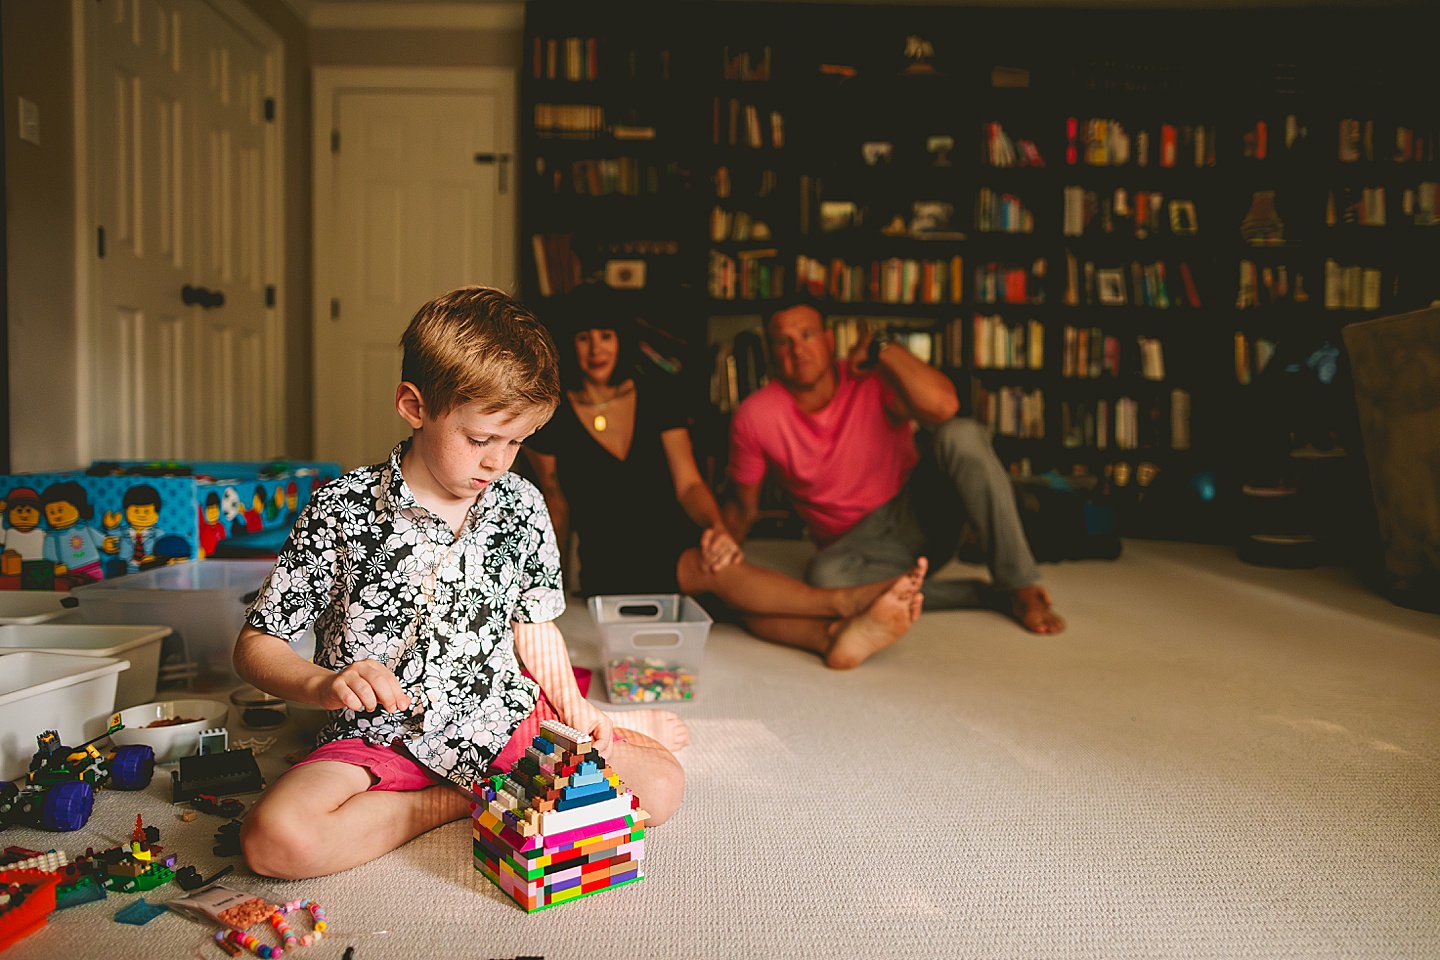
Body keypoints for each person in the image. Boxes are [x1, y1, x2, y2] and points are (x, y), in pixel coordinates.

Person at [232, 286, 687, 881]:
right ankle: (451, 802)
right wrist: (321, 683)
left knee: (662, 787)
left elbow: (534, 625)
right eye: (480, 440)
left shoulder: (521, 504)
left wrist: (574, 708)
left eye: (518, 441)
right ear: (414, 406)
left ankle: (553, 758)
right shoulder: (339, 510)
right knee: (275, 840)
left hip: (498, 723)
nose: (499, 461)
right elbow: (254, 647)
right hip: (382, 737)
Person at [522, 287, 927, 671]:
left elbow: (689, 484)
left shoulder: (657, 394)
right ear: (568, 344)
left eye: (606, 336)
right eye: (584, 338)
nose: (596, 349)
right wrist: (545, 585)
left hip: (673, 532)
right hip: (614, 556)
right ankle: (844, 603)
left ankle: (831, 638)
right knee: (716, 574)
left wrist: (717, 529)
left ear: (621, 340)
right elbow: (555, 503)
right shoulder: (551, 415)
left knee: (732, 594)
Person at [724, 294, 1064, 635]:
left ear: (829, 341)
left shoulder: (871, 378)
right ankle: (986, 596)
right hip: (859, 550)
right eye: (783, 341)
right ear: (770, 352)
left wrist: (881, 346)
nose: (798, 351)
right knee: (825, 582)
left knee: (961, 434)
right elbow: (743, 506)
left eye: (808, 335)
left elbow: (945, 406)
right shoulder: (755, 417)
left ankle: (1021, 585)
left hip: (921, 513)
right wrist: (723, 568)